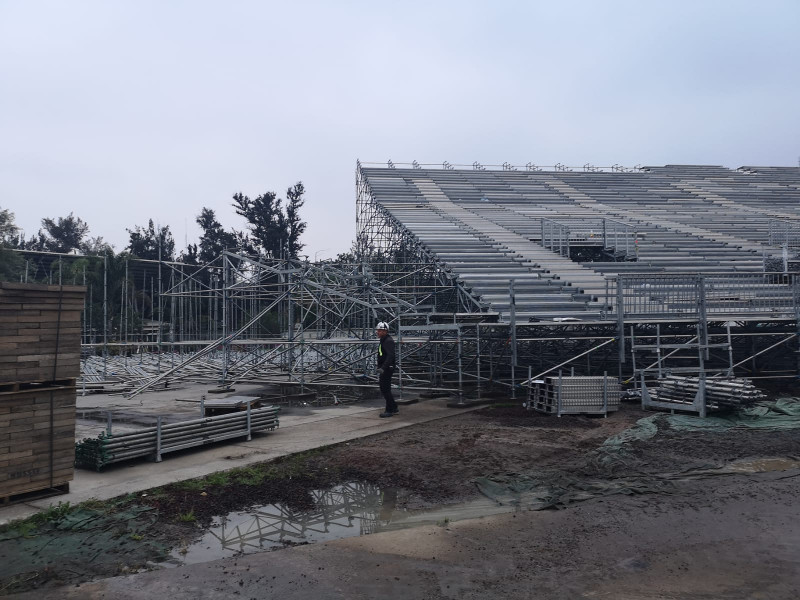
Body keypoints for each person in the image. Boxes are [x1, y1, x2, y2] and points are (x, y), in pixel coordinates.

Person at [375, 321, 398, 418]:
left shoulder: (388, 341)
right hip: (385, 368)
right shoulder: (384, 340)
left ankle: (389, 410)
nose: (378, 332)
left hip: (387, 368)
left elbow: (390, 356)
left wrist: (383, 368)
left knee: (385, 389)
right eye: (378, 330)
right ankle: (394, 407)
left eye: (380, 330)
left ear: (385, 331)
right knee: (385, 388)